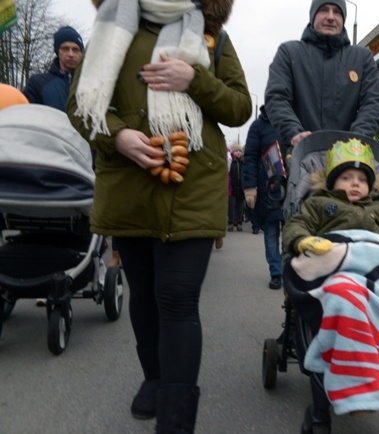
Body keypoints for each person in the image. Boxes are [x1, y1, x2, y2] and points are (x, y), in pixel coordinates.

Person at [67, 0, 252, 431]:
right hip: (129, 185)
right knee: (145, 294)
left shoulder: (213, 38)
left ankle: (175, 420)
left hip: (193, 184)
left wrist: (196, 79)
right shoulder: (111, 29)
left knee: (177, 297)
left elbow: (240, 107)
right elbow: (80, 105)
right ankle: (154, 378)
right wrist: (119, 137)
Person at [281, 138, 379, 410]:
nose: (355, 183)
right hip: (339, 268)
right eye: (346, 177)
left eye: (361, 179)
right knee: (346, 296)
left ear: (371, 184)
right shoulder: (319, 203)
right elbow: (298, 225)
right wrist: (302, 242)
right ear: (331, 182)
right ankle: (357, 387)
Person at [264, 0, 379, 149]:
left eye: (337, 12)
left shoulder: (362, 58)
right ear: (313, 15)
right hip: (299, 159)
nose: (331, 17)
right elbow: (277, 97)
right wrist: (294, 133)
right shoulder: (289, 53)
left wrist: (355, 140)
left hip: (349, 160)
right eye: (324, 10)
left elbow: (373, 102)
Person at [242, 105, 286, 290]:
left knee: (293, 232)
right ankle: (276, 273)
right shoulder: (258, 126)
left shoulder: (294, 119)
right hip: (267, 187)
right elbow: (250, 157)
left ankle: (291, 271)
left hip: (292, 186)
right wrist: (250, 187)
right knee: (270, 232)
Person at [23, 26, 84, 111]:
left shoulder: (93, 84)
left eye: (75, 49)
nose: (71, 54)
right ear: (57, 51)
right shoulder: (37, 83)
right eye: (65, 49)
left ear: (82, 53)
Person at [228, 143, 245, 232]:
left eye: (240, 151)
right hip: (231, 188)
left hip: (241, 188)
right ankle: (230, 222)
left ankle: (239, 223)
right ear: (233, 152)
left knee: (240, 206)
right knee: (231, 206)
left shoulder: (243, 162)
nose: (238, 153)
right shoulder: (230, 161)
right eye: (236, 151)